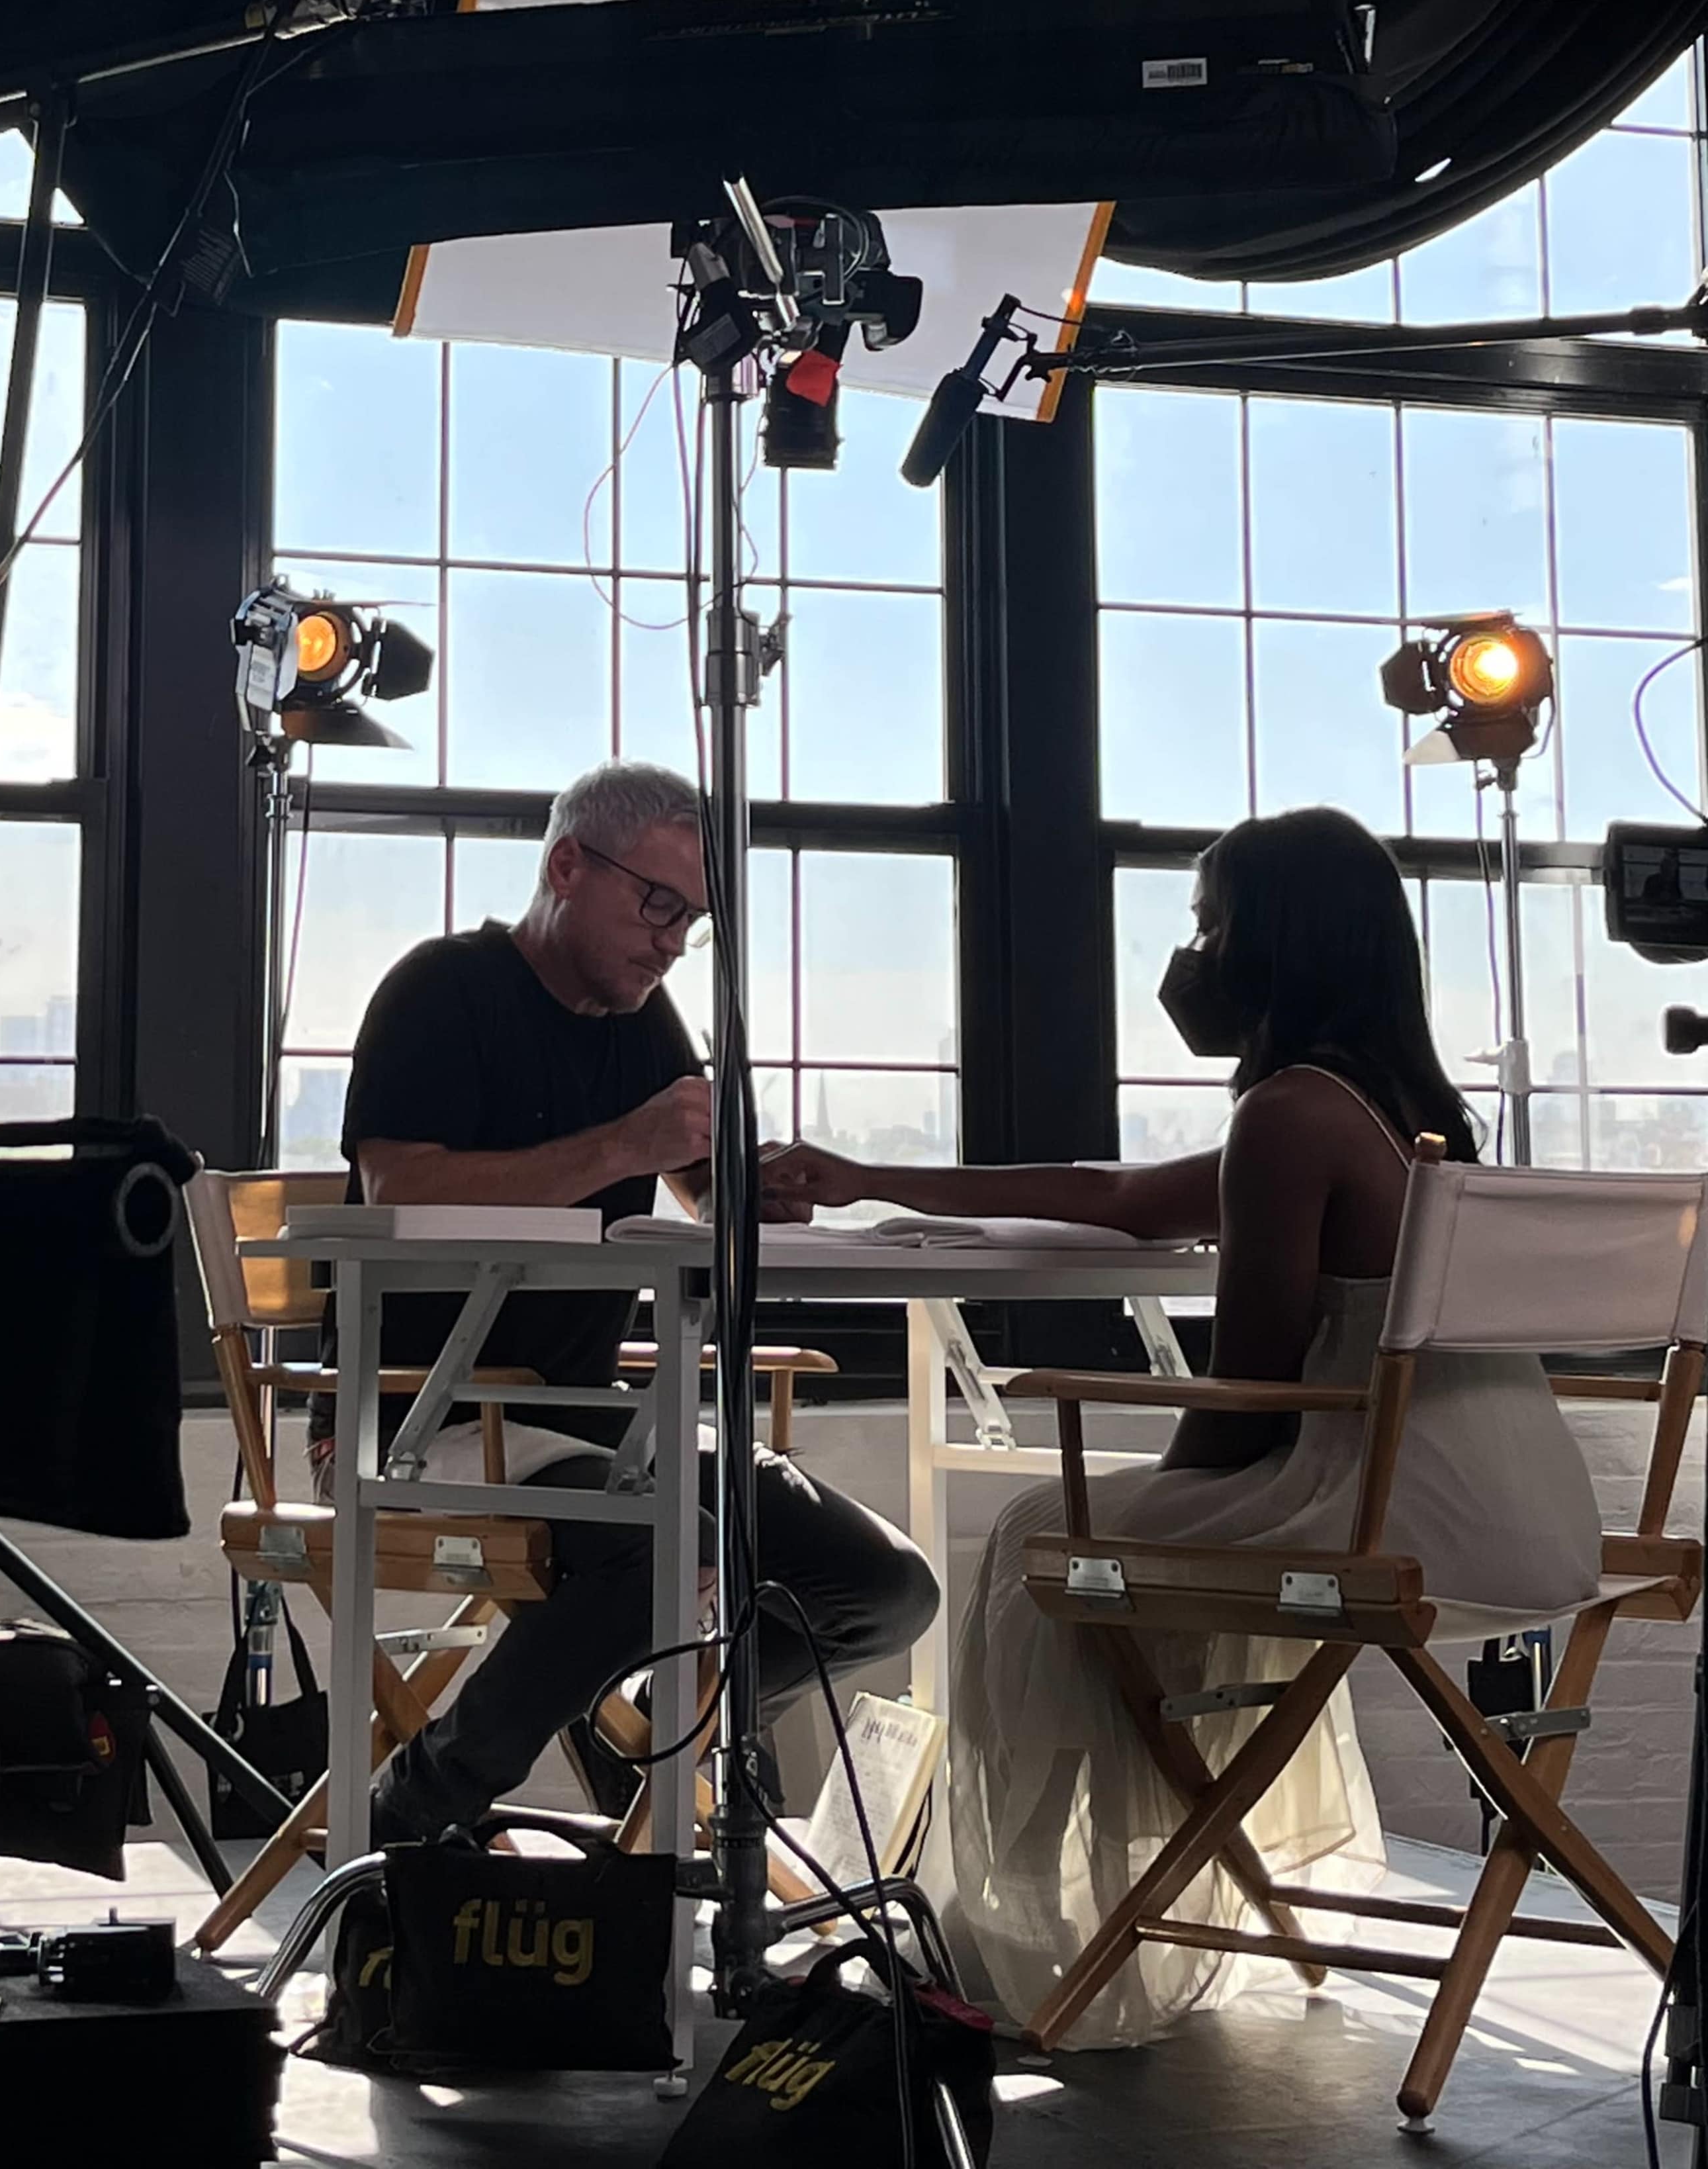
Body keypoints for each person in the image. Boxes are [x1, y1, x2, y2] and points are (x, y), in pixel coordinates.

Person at [766, 803, 1603, 2045]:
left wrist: (1136, 1526)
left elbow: (1247, 1393)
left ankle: (1039, 1923)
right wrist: (868, 1178)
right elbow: (1122, 1196)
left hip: (1394, 1516)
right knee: (1104, 1553)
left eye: (1211, 927)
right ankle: (1145, 1886)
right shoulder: (1389, 1107)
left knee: (1044, 1541)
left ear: (1277, 944)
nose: (1193, 957)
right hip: (1536, 1520)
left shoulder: (1291, 1115)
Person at [320, 759, 939, 1843]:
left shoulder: (642, 1022)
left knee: (883, 1585)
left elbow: (699, 1185)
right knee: (659, 1542)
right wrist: (623, 1146)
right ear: (567, 865)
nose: (673, 944)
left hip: (590, 1419)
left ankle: (651, 1729)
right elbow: (399, 1191)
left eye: (692, 920)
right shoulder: (443, 990)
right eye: (658, 905)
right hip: (416, 1419)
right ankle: (423, 1802)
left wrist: (760, 1191)